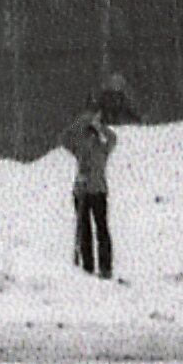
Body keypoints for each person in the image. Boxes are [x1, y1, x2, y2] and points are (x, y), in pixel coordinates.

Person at [64, 104, 119, 279]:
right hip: (81, 189)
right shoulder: (80, 138)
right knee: (84, 229)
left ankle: (105, 267)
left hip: (98, 190)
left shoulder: (103, 142)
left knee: (101, 228)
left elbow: (112, 140)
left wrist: (99, 127)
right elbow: (65, 139)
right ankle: (87, 267)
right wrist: (80, 123)